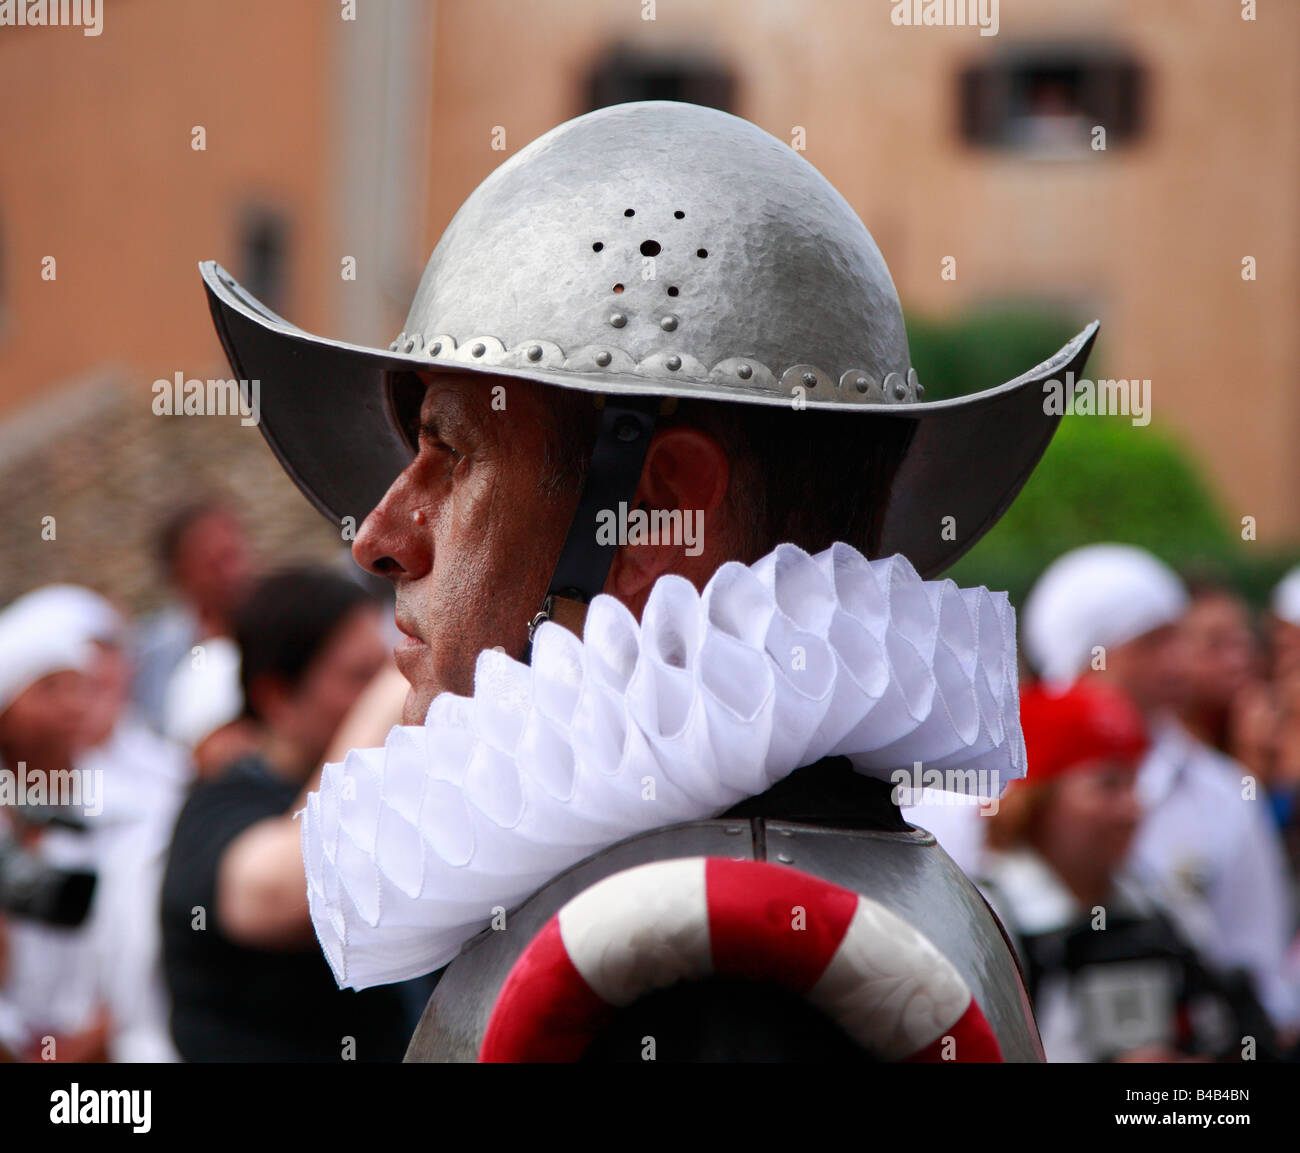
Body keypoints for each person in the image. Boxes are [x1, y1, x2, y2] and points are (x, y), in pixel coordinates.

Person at [201, 100, 1104, 1060]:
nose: (377, 538)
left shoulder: (713, 967)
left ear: (654, 509)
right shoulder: (774, 885)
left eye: (452, 451)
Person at [1022, 544, 1299, 1030]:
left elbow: (1259, 971)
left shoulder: (1227, 794)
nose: (1179, 664)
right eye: (1151, 643)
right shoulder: (1006, 788)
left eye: (1178, 640)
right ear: (1089, 655)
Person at [160, 567, 411, 1061]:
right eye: (360, 676)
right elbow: (287, 890)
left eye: (383, 669)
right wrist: (393, 691)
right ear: (277, 698)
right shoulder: (217, 807)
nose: (377, 693)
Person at [979, 681, 1275, 1062]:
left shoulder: (1163, 904)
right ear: (1039, 799)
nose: (1132, 808)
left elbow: (1229, 1026)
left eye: (1134, 783)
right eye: (1108, 785)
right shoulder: (991, 917)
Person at [0, 589, 175, 1061]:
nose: (74, 704)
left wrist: (95, 1035)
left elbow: (143, 955)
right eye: (49, 688)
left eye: (79, 685)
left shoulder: (131, 810)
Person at [132, 497, 255, 734]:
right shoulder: (156, 658)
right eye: (214, 565)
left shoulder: (276, 623)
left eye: (233, 557)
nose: (232, 574)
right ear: (181, 575)